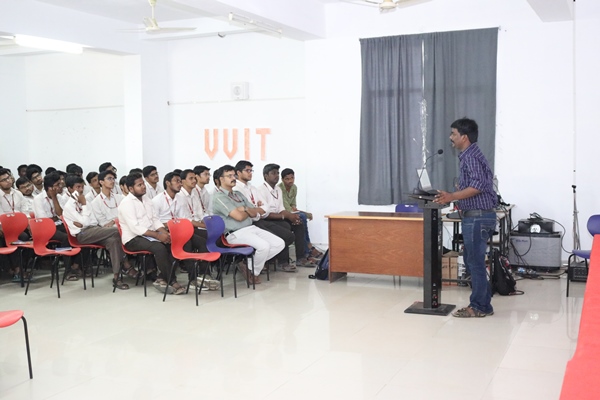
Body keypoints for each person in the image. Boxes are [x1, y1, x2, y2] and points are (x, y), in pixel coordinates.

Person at [435, 117, 497, 318]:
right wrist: (460, 191)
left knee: (475, 263)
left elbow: (478, 186)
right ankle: (484, 303)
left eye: (453, 133)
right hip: (480, 216)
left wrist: (453, 196)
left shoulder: (470, 156)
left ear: (464, 137)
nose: (450, 137)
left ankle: (479, 306)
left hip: (478, 217)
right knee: (474, 261)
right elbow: (478, 184)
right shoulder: (472, 154)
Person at [212, 165, 285, 284]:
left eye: (234, 175)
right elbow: (239, 217)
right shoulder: (219, 197)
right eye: (229, 176)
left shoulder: (238, 194)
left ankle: (248, 265)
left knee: (279, 244)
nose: (233, 178)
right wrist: (249, 211)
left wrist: (245, 208)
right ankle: (253, 272)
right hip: (235, 233)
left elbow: (260, 210)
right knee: (264, 246)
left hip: (250, 227)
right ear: (221, 179)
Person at [62, 174, 135, 290]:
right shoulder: (69, 206)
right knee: (117, 231)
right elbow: (85, 223)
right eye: (77, 187)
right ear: (70, 189)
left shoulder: (86, 202)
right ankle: (126, 265)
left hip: (94, 230)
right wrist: (85, 208)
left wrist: (84, 219)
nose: (80, 190)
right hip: (82, 234)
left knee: (114, 240)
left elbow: (92, 220)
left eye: (81, 187)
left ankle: (117, 276)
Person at [118, 172, 185, 295]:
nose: (143, 186)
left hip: (149, 235)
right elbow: (135, 228)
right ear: (131, 189)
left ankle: (161, 277)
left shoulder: (146, 199)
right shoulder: (126, 203)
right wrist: (158, 236)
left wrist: (165, 233)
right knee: (159, 248)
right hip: (133, 239)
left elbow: (155, 220)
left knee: (173, 243)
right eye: (139, 185)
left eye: (143, 183)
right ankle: (171, 280)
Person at [234, 161, 297, 272]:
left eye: (251, 170)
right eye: (247, 170)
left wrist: (255, 209)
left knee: (289, 231)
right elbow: (246, 210)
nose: (250, 173)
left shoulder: (252, 188)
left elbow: (265, 207)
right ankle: (257, 261)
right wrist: (257, 209)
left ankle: (264, 261)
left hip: (259, 219)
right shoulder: (236, 189)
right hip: (250, 223)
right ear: (238, 173)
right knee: (285, 235)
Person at [278, 168, 323, 260]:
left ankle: (308, 248)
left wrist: (295, 208)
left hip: (290, 213)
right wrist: (305, 213)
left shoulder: (294, 187)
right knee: (302, 217)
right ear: (282, 179)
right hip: (281, 214)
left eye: (292, 178)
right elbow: (286, 208)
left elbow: (293, 204)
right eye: (287, 179)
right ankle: (308, 248)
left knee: (301, 218)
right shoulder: (279, 189)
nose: (290, 181)